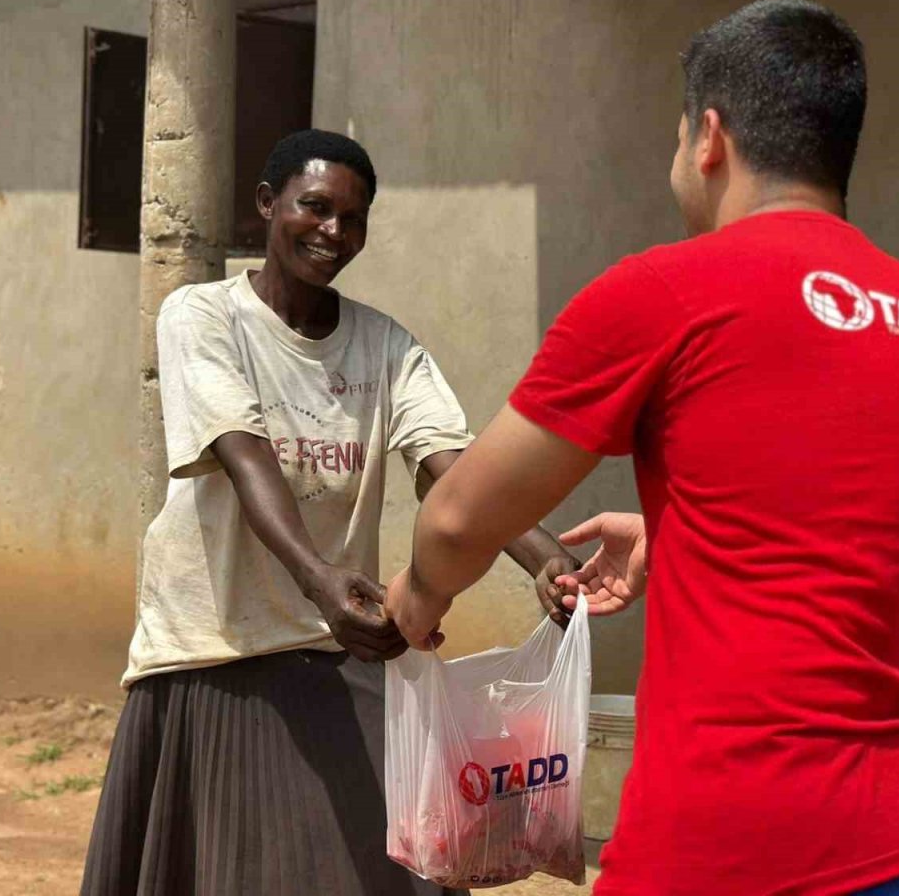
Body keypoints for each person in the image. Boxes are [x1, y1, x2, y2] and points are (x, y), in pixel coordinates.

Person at [387, 0, 899, 896]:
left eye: (678, 137)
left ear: (709, 138)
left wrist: (417, 599)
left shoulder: (668, 292)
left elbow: (458, 521)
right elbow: (884, 538)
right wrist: (680, 532)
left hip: (755, 843)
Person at [81, 129, 577, 896]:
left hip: (336, 648)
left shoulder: (385, 346)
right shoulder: (203, 316)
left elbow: (456, 471)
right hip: (213, 650)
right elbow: (245, 457)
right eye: (315, 207)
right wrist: (320, 579)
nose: (333, 231)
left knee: (409, 865)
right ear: (267, 204)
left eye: (354, 218)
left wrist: (546, 560)